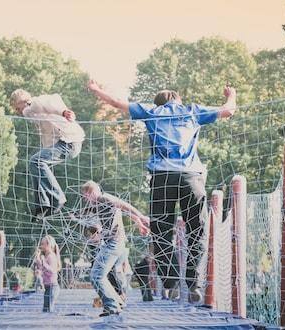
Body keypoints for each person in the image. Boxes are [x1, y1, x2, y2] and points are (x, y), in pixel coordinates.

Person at [87, 80, 237, 303]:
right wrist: (231, 94)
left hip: (162, 178)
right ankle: (193, 282)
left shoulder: (152, 112)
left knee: (160, 228)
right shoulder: (192, 111)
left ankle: (170, 280)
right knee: (197, 229)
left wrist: (96, 90)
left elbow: (117, 103)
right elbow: (228, 111)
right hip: (191, 178)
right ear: (177, 99)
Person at [10, 89, 85, 218]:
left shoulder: (33, 104)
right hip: (65, 143)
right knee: (35, 164)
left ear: (22, 101)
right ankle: (42, 206)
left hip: (69, 141)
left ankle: (58, 197)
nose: (19, 112)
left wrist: (63, 112)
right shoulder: (33, 113)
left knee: (35, 161)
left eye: (17, 108)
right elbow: (47, 133)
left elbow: (49, 101)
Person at [80, 180, 149, 316]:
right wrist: (139, 221)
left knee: (96, 276)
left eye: (85, 196)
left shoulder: (104, 199)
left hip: (113, 244)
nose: (85, 199)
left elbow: (125, 205)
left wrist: (141, 217)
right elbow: (123, 210)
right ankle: (118, 302)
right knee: (100, 275)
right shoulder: (103, 201)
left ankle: (112, 306)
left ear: (91, 192)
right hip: (115, 244)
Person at [34, 235, 62, 312]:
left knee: (48, 310)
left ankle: (51, 324)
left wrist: (42, 262)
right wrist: (38, 259)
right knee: (46, 310)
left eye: (43, 244)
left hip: (52, 287)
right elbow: (42, 268)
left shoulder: (51, 256)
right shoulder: (46, 256)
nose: (41, 246)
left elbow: (52, 271)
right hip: (48, 287)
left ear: (49, 245)